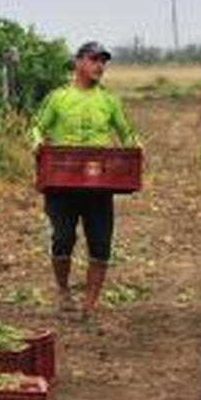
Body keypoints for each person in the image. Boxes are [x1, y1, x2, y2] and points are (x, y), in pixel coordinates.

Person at [30, 41, 140, 318]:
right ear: (78, 62)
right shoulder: (58, 98)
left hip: (98, 184)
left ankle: (88, 306)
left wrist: (137, 146)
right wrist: (37, 143)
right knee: (63, 238)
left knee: (101, 243)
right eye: (94, 60)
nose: (99, 66)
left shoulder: (109, 101)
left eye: (103, 61)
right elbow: (35, 127)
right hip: (61, 181)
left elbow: (127, 134)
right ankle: (64, 292)